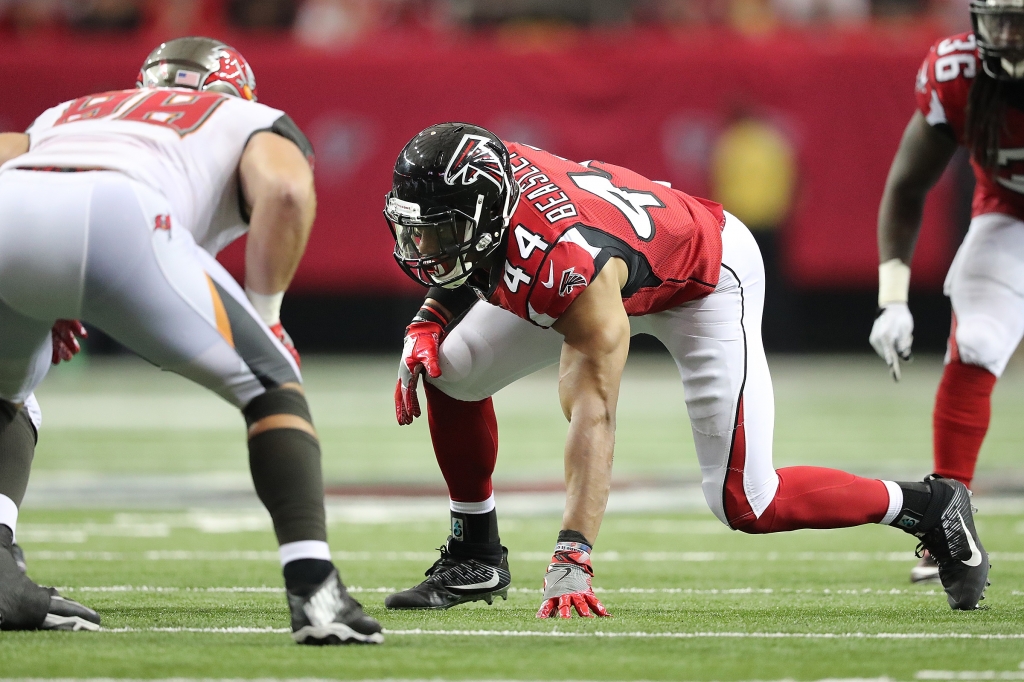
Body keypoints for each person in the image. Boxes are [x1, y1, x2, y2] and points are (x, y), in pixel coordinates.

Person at [383, 123, 990, 618]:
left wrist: (573, 552)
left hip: (705, 279)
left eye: (438, 232)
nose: (424, 249)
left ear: (487, 213)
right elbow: (476, 255)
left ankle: (926, 504)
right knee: (448, 367)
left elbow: (594, 410)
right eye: (420, 232)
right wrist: (429, 321)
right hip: (622, 260)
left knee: (749, 503)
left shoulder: (566, 263)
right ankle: (475, 553)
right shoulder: (499, 179)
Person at [0, 37, 382, 644]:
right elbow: (284, 192)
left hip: (9, 202)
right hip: (121, 211)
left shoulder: (68, 111)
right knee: (272, 383)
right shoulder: (246, 117)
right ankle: (317, 593)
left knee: (11, 390)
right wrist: (268, 314)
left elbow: (10, 160)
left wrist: (41, 289)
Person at [870, 0, 1021, 584]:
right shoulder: (959, 75)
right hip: (1010, 215)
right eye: (999, 20)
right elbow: (906, 190)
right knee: (978, 341)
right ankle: (947, 523)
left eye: (1021, 23)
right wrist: (893, 297)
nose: (1007, 37)